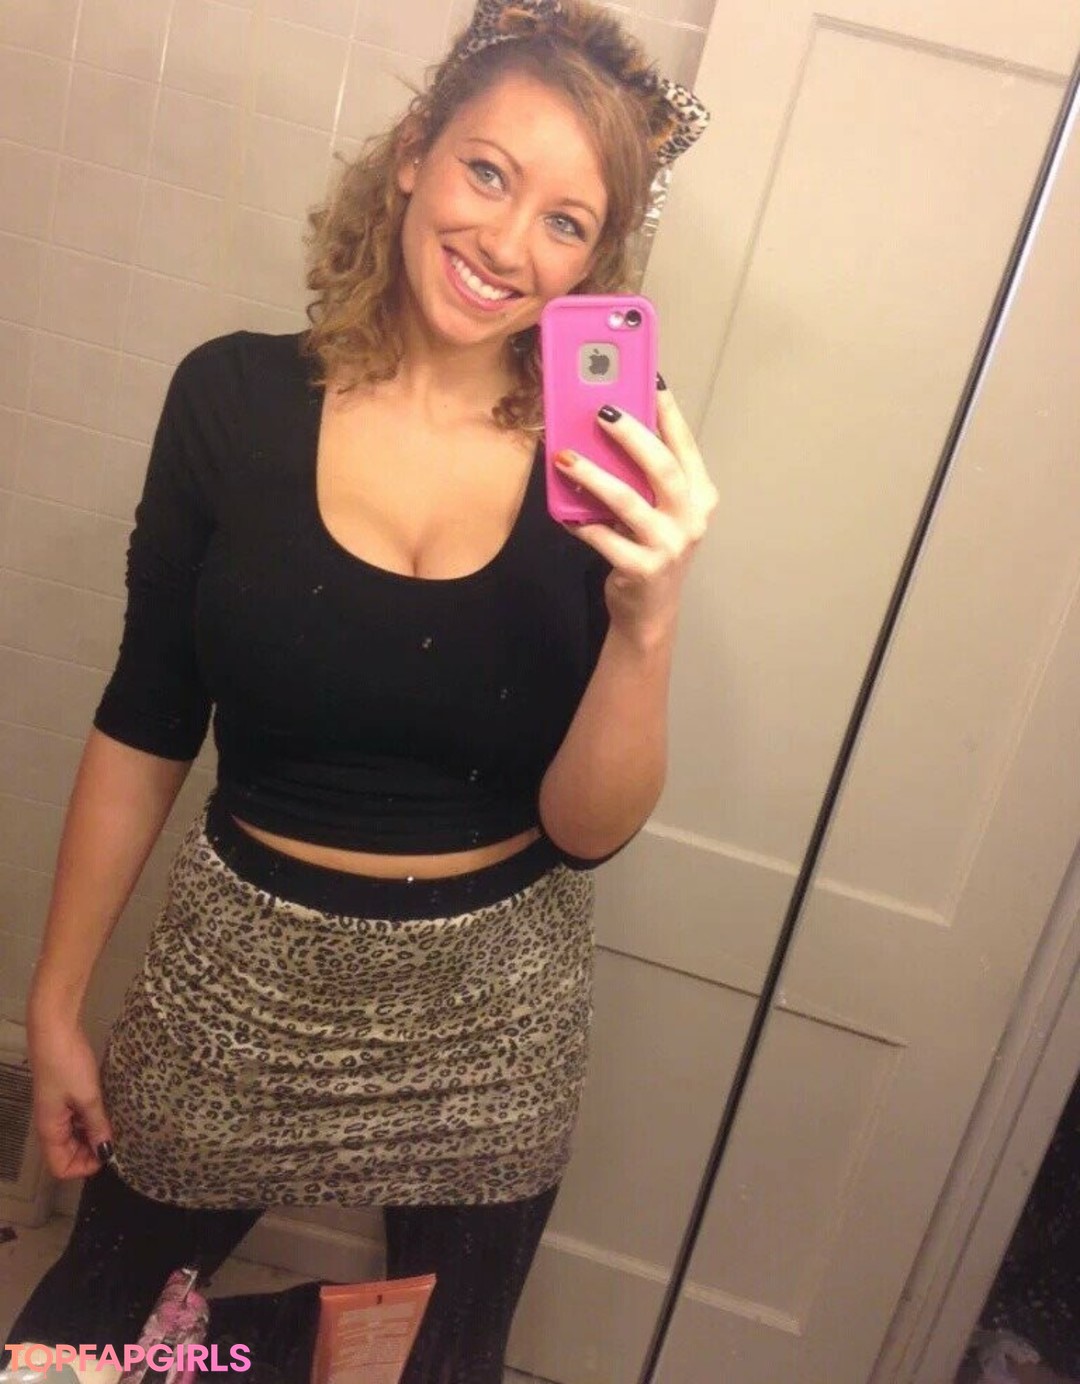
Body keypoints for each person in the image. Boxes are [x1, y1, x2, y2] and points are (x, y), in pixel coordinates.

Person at [6, 0, 715, 1379]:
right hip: (236, 987)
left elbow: (587, 831)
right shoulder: (230, 399)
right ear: (413, 154)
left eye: (566, 222)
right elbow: (148, 718)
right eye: (487, 171)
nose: (507, 243)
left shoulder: (609, 457)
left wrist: (650, 621)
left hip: (494, 1015)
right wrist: (55, 997)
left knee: (441, 1362)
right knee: (75, 1352)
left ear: (598, 260)